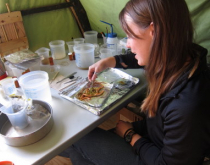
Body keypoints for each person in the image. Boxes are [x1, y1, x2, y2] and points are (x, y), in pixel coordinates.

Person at [60, 0, 210, 164]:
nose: (127, 44)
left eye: (131, 35)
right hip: (155, 136)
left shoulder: (187, 105)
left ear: (154, 31)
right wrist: (111, 61)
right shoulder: (181, 57)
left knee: (79, 139)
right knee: (77, 146)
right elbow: (142, 56)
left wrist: (132, 137)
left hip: (156, 156)